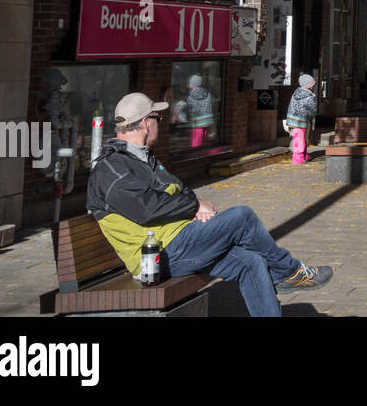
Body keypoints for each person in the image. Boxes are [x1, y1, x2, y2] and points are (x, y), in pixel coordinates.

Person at [86, 92, 332, 317]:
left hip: (181, 241)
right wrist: (193, 205)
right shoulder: (111, 168)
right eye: (156, 118)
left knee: (251, 262)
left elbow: (177, 190)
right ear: (143, 123)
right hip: (158, 256)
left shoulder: (144, 159)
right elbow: (147, 208)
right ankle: (288, 272)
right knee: (242, 217)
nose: (160, 122)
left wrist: (194, 205)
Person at [285, 73, 318, 165]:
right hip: (302, 121)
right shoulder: (309, 96)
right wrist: (312, 116)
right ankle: (298, 159)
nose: (313, 87)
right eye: (312, 85)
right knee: (302, 139)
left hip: (292, 120)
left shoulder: (295, 93)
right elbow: (312, 110)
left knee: (298, 138)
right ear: (309, 86)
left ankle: (304, 155)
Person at [185, 73, 215, 148]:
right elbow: (213, 105)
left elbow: (188, 110)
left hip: (197, 123)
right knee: (204, 144)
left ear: (192, 85)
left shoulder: (190, 96)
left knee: (196, 145)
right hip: (207, 122)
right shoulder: (208, 94)